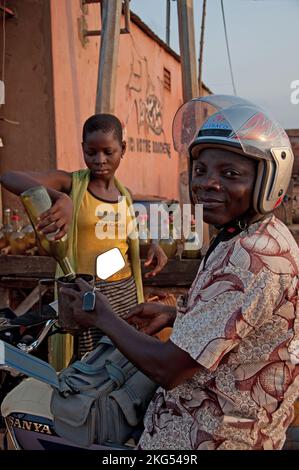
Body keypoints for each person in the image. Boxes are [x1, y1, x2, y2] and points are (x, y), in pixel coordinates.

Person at [59, 96, 299, 450]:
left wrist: (102, 316)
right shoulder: (247, 235)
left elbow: (169, 370)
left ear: (268, 182)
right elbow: (241, 322)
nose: (207, 184)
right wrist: (175, 314)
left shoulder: (253, 258)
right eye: (201, 170)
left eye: (229, 174)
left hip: (209, 437)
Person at [0, 113, 167, 362]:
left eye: (108, 152)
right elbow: (8, 177)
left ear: (123, 149)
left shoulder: (125, 195)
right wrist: (59, 197)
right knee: (86, 364)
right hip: (87, 297)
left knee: (120, 363)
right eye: (91, 152)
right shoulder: (70, 184)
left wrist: (152, 247)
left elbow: (121, 242)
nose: (99, 160)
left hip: (124, 294)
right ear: (83, 150)